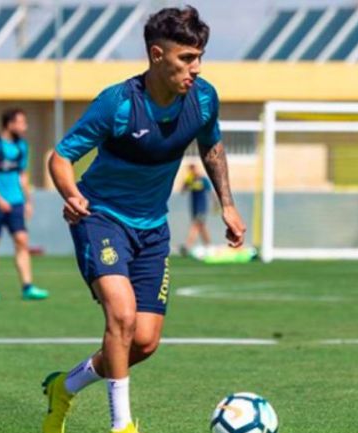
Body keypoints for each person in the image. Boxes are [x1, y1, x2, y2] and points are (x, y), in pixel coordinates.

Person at [44, 6, 245, 433]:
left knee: (144, 341)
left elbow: (211, 147)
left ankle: (65, 386)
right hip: (101, 218)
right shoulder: (117, 104)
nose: (196, 68)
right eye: (186, 59)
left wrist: (226, 203)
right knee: (121, 315)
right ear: (157, 55)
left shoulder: (204, 98)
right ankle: (123, 425)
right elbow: (60, 157)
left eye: (199, 57)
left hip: (153, 228)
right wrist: (72, 194)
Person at [0, 108, 48, 302]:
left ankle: (27, 286)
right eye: (21, 122)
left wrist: (28, 201)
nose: (24, 127)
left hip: (16, 202)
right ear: (9, 124)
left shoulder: (22, 146)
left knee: (22, 241)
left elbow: (23, 176)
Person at [182, 163, 212, 252]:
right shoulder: (190, 180)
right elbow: (183, 191)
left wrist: (215, 204)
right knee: (202, 226)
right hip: (194, 207)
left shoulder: (203, 180)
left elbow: (210, 191)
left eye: (192, 169)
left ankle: (187, 246)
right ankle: (208, 245)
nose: (191, 171)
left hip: (202, 207)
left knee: (195, 225)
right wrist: (186, 182)